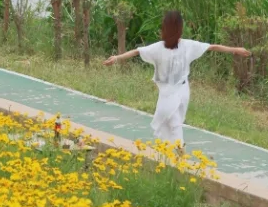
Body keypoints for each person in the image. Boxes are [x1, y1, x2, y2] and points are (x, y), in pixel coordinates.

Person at [104, 9, 251, 146]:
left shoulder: (188, 46)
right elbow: (137, 51)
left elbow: (211, 47)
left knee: (175, 121)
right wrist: (117, 58)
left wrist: (235, 50)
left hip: (182, 90)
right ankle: (178, 152)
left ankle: (177, 153)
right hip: (166, 92)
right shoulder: (158, 48)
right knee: (171, 122)